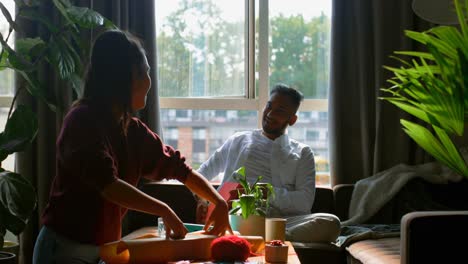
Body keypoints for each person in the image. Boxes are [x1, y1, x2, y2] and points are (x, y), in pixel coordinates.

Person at [32, 30, 232, 264]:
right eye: (143, 73)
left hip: (103, 249)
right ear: (120, 78)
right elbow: (110, 186)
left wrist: (218, 201)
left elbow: (181, 170)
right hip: (63, 249)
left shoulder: (132, 129)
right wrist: (164, 210)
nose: (149, 82)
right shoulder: (81, 121)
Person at [197, 84, 340, 243]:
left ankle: (262, 239)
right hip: (236, 217)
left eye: (280, 111)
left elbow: (304, 203)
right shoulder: (238, 140)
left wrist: (266, 192)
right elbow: (201, 173)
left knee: (330, 223)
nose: (270, 114)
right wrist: (203, 199)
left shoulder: (303, 153)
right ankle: (265, 240)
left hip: (280, 223)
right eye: (269, 106)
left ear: (292, 120)